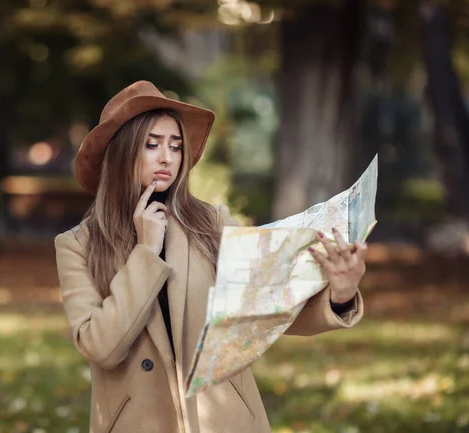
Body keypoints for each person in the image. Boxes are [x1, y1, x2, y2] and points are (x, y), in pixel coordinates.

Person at [54, 81, 367, 433]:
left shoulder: (211, 224)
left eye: (175, 146)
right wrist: (145, 251)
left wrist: (338, 297)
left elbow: (267, 310)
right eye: (151, 144)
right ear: (121, 152)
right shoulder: (77, 245)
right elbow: (100, 346)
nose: (167, 158)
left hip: (225, 421)